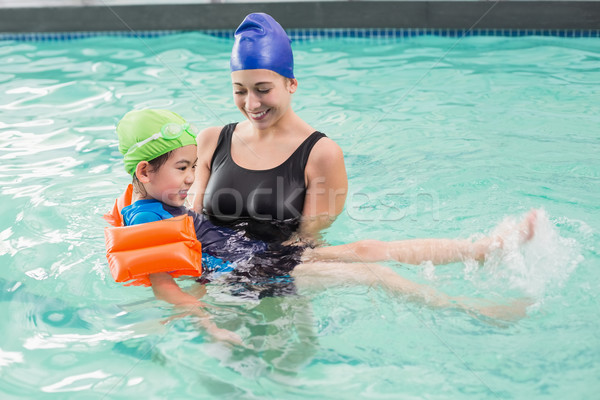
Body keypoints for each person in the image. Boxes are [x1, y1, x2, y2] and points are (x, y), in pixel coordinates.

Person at [107, 109, 537, 345]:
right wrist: (209, 325)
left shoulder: (161, 203)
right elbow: (165, 285)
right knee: (374, 270)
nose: (190, 177)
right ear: (145, 171)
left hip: (254, 253)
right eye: (183, 168)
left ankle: (481, 248)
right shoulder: (145, 219)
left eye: (192, 166)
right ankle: (470, 309)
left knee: (369, 249)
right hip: (246, 275)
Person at [191, 13, 348, 243]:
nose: (251, 104)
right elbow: (191, 223)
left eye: (263, 90)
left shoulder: (322, 155)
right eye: (240, 91)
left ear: (291, 84)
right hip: (210, 272)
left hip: (277, 274)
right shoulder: (210, 141)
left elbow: (307, 242)